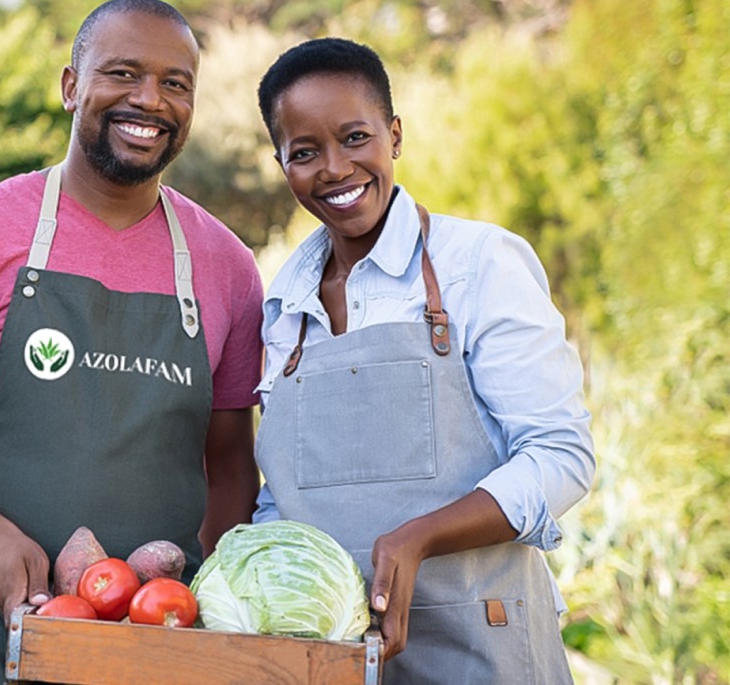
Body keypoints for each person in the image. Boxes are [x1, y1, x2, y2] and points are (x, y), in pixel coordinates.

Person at [0, 0, 264, 684]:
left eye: (176, 84)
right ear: (70, 87)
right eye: (122, 73)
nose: (150, 100)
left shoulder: (228, 267)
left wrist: (203, 595)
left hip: (162, 640)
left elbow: (232, 463)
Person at [251, 37, 595, 683]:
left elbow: (561, 456)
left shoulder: (479, 264)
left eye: (355, 137)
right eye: (304, 152)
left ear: (395, 136)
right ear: (281, 163)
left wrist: (419, 537)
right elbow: (286, 497)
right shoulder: (285, 306)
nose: (334, 168)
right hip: (332, 658)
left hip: (483, 646)